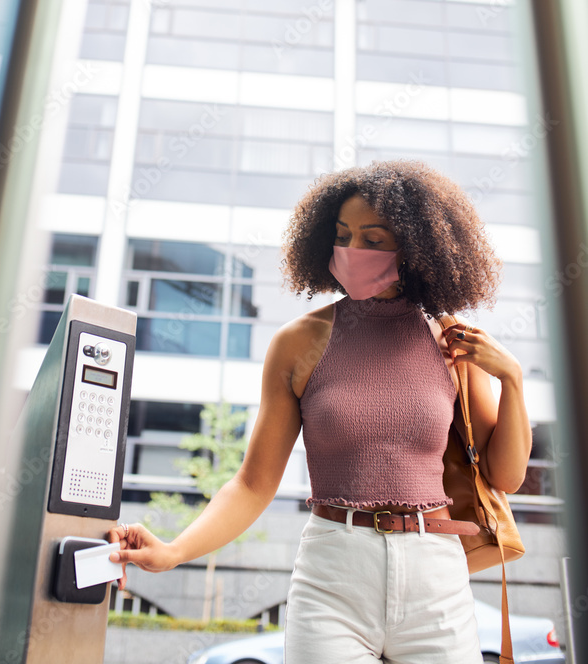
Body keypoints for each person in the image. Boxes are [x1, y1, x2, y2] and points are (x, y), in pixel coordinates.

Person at [108, 159, 531, 663]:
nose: (354, 252)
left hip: (434, 579)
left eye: (374, 239)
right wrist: (175, 551)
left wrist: (513, 381)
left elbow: (506, 475)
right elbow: (252, 484)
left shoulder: (451, 341)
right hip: (333, 574)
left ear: (419, 247)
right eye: (343, 235)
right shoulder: (298, 342)